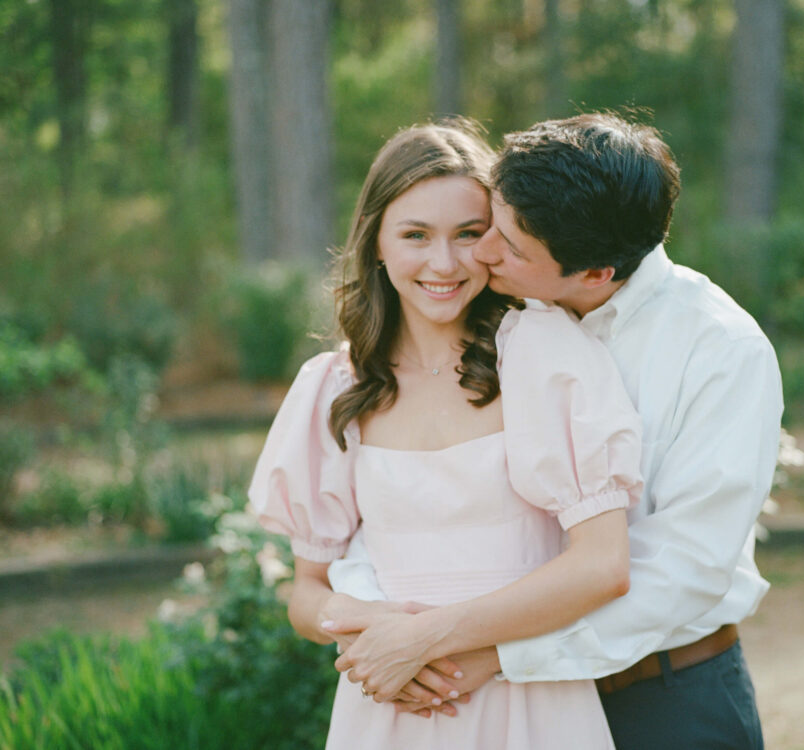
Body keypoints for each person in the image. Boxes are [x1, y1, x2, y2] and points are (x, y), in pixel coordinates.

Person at [325, 113, 783, 750]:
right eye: (493, 225)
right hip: (510, 707)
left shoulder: (719, 352)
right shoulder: (509, 319)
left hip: (664, 699)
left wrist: (496, 653)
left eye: (506, 246)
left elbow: (682, 570)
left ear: (594, 273)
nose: (481, 255)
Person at [247, 120, 645, 749]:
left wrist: (427, 639)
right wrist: (366, 626)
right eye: (415, 235)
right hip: (389, 705)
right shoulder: (333, 387)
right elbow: (306, 590)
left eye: (468, 234)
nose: (444, 263)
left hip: (530, 703)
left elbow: (602, 567)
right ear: (376, 242)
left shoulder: (542, 355)